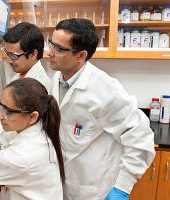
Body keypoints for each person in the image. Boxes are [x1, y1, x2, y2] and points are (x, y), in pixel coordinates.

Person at [47, 18, 155, 200]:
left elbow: (141, 138)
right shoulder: (58, 77)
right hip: (65, 182)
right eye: (51, 44)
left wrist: (122, 187)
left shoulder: (105, 90)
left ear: (81, 56)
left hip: (95, 188)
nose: (50, 52)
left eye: (59, 48)